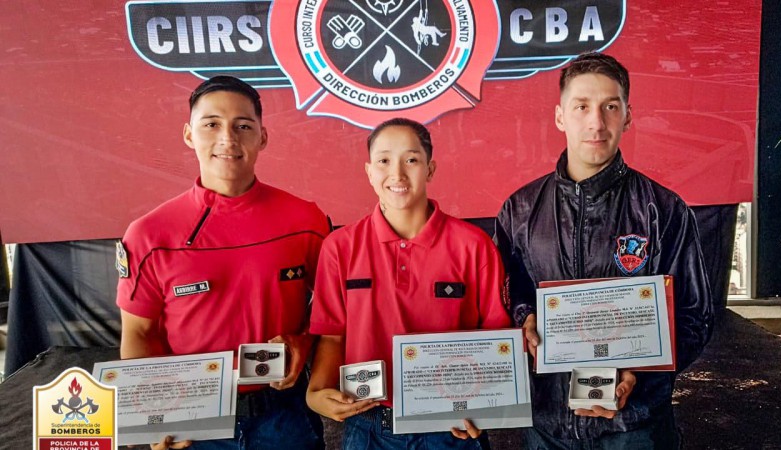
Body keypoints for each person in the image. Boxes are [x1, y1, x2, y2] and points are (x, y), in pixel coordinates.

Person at [494, 52, 714, 449]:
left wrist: (639, 372)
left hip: (635, 426)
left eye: (610, 107)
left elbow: (694, 315)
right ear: (560, 116)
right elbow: (510, 294)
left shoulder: (664, 210)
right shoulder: (519, 209)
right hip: (547, 425)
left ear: (628, 116)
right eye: (581, 107)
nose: (596, 122)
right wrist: (524, 317)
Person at [116, 76, 328, 450]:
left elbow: (332, 308)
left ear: (262, 137)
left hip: (284, 413)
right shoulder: (149, 234)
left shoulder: (305, 220)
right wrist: (154, 414)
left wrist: (304, 341)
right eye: (211, 124)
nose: (228, 139)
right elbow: (139, 334)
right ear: (188, 134)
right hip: (193, 419)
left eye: (243, 126)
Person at [306, 118, 511, 449]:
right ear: (369, 171)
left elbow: (496, 340)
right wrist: (316, 392)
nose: (397, 174)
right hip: (369, 423)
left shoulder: (474, 246)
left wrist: (484, 408)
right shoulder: (340, 247)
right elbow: (332, 335)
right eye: (384, 161)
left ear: (430, 169)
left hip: (452, 427)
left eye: (411, 160)